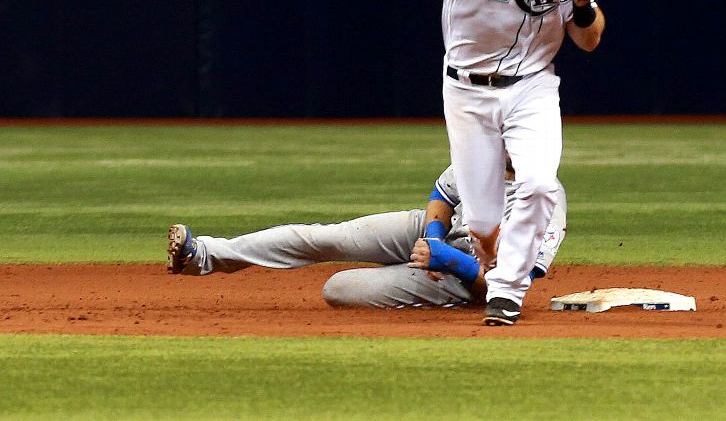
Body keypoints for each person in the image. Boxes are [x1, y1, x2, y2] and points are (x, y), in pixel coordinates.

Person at [441, 0, 604, 326]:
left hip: (532, 85)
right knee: (482, 225)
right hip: (467, 91)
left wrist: (581, 3)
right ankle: (489, 255)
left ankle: (506, 293)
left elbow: (590, 40)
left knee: (536, 182)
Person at [166, 164, 567, 310]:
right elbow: (442, 196)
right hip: (436, 238)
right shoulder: (481, 154)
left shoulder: (546, 201)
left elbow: (502, 287)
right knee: (326, 238)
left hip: (464, 280)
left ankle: (432, 297)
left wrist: (444, 259)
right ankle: (202, 255)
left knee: (337, 289)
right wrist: (433, 235)